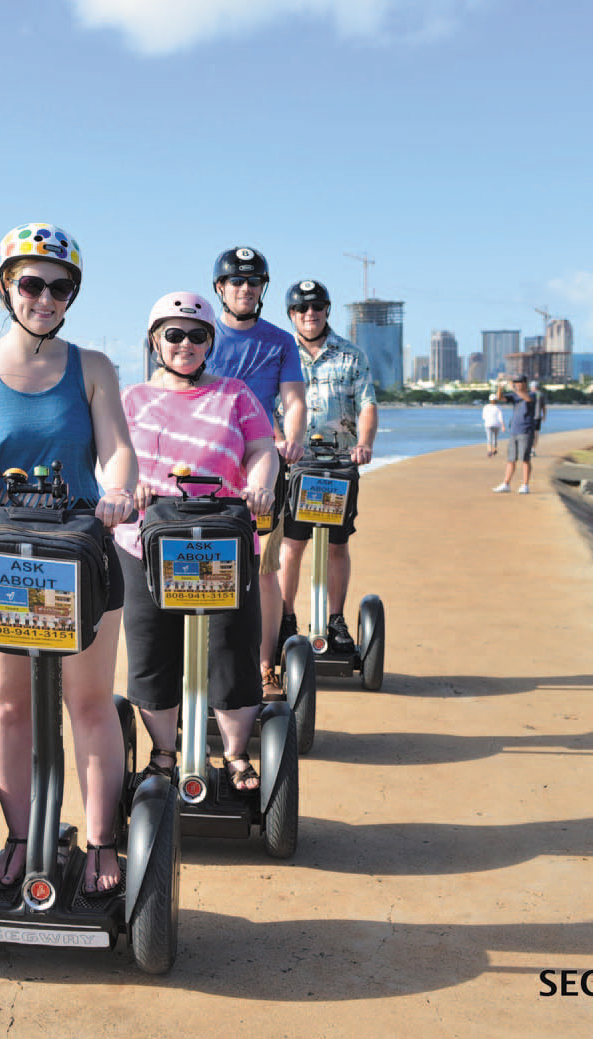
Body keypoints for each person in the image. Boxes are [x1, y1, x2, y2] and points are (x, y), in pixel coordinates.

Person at [0, 222, 137, 896]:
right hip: (4, 554)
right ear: (5, 288)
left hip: (78, 551)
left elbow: (118, 450)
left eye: (59, 286)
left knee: (88, 703)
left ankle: (103, 842)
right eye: (31, 283)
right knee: (8, 705)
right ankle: (22, 839)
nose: (45, 297)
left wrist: (119, 490)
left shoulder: (94, 368)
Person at [117, 292, 278, 795]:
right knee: (151, 647)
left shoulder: (235, 395)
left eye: (196, 335)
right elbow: (111, 456)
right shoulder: (132, 399)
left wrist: (261, 484)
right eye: (174, 334)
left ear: (210, 341)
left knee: (231, 644)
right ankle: (164, 751)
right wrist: (125, 487)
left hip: (223, 538)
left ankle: (234, 752)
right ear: (155, 341)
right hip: (145, 539)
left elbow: (261, 448)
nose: (185, 344)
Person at [203, 246, 307, 691]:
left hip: (260, 466)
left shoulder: (280, 341)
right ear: (220, 288)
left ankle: (264, 667)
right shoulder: (198, 336)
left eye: (254, 282)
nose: (246, 288)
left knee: (264, 568)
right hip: (204, 471)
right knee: (203, 565)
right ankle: (202, 668)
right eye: (237, 281)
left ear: (263, 289)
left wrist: (295, 436)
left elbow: (295, 399)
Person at [281, 279, 378, 652]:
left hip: (340, 465)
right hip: (298, 464)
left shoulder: (351, 355)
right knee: (293, 543)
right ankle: (286, 618)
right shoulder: (283, 354)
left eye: (317, 307)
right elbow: (268, 406)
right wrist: (279, 440)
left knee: (337, 545)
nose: (310, 314)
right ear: (292, 314)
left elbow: (367, 404)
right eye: (302, 309)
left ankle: (335, 620)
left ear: (327, 311)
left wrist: (365, 445)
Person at [491, 375, 540, 493]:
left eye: (519, 382)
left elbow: (527, 399)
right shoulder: (514, 396)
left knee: (525, 459)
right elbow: (500, 398)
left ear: (525, 383)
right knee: (511, 459)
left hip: (526, 430)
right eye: (515, 382)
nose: (517, 384)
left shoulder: (532, 394)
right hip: (514, 430)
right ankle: (506, 484)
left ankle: (525, 485)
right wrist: (500, 388)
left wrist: (514, 389)